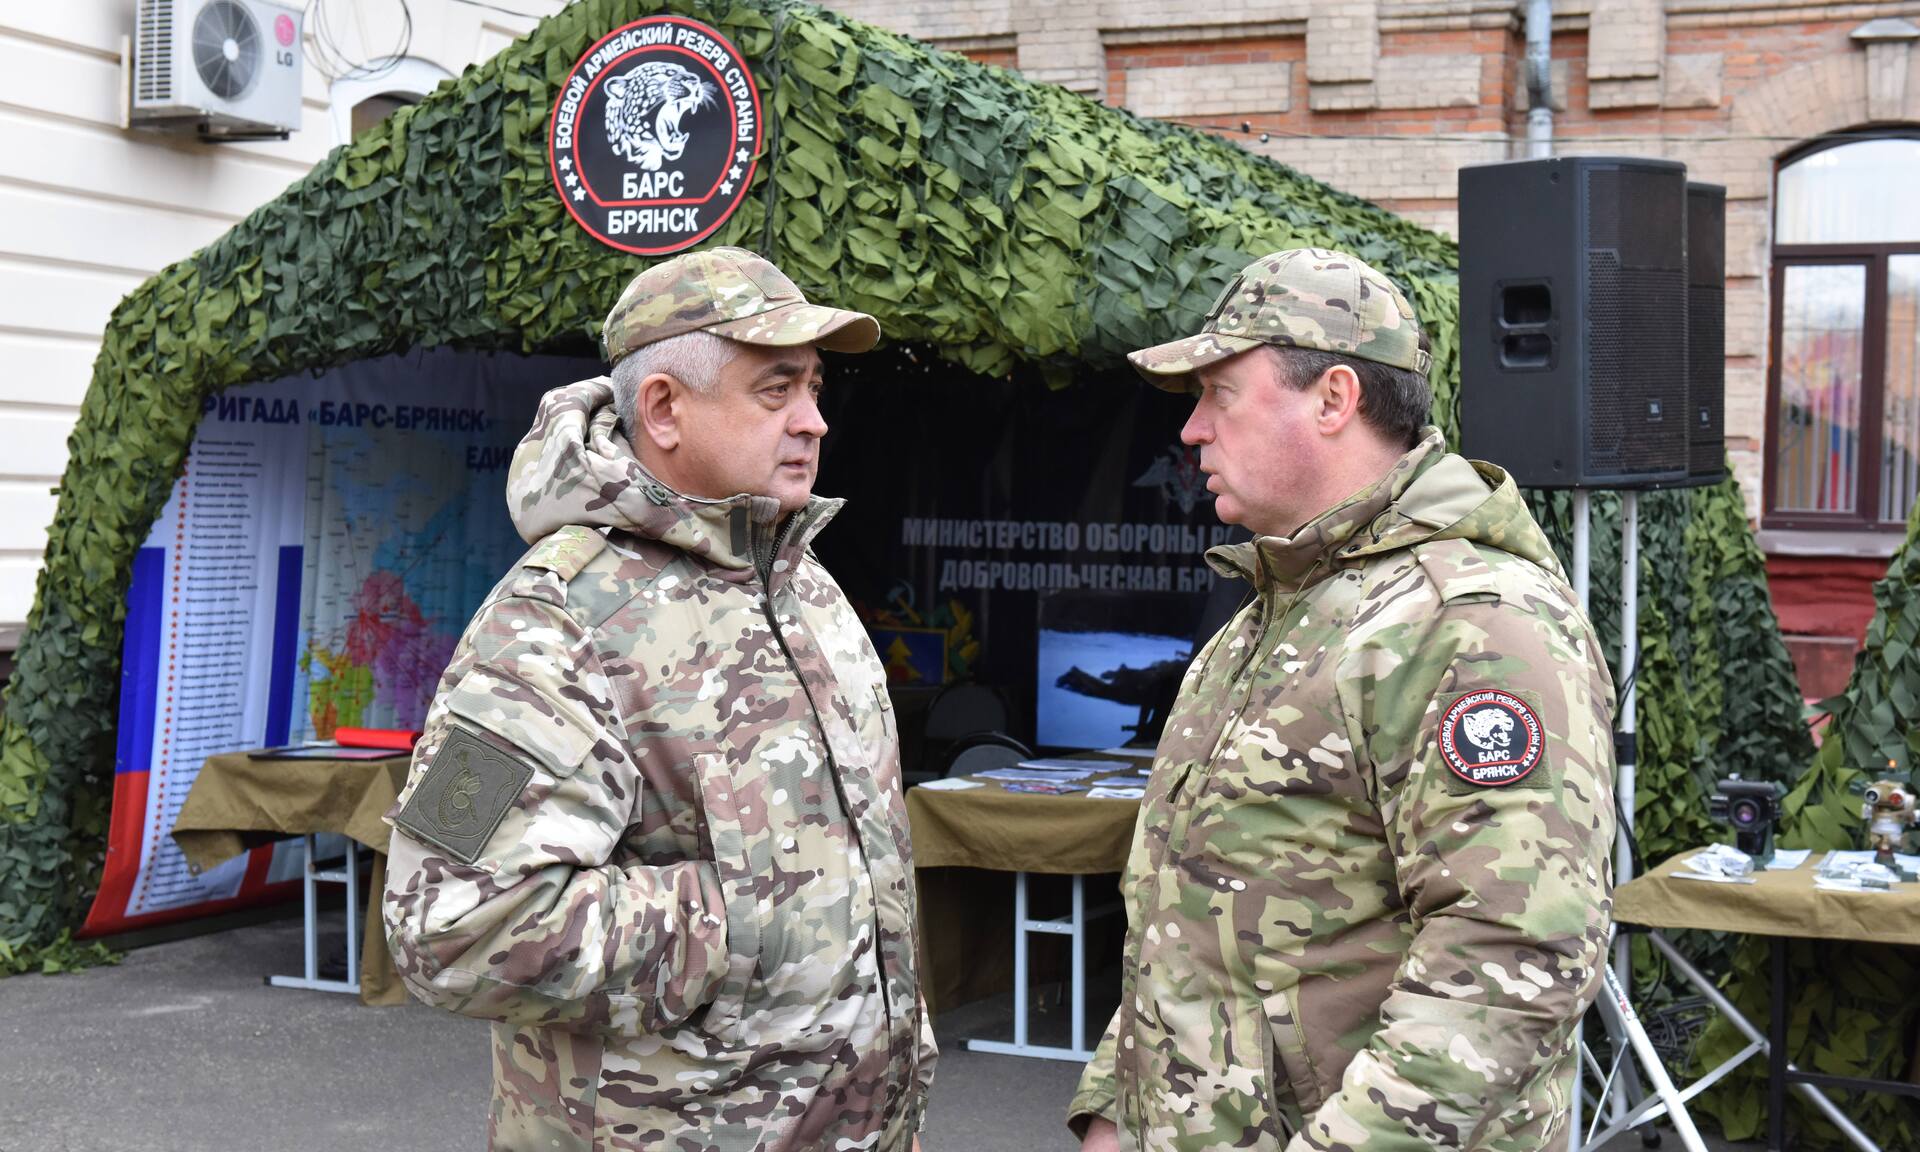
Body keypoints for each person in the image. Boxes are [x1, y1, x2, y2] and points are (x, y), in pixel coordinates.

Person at [384, 246, 934, 1152]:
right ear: (665, 409)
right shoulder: (551, 623)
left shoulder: (806, 589)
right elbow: (445, 923)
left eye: (815, 388)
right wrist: (751, 918)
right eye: (776, 390)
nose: (814, 421)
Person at [1069, 247, 1616, 1152]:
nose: (1194, 431)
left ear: (1333, 399)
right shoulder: (1275, 613)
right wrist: (1116, 1112)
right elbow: (1188, 922)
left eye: (1220, 394)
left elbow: (1508, 962)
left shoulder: (1470, 622)